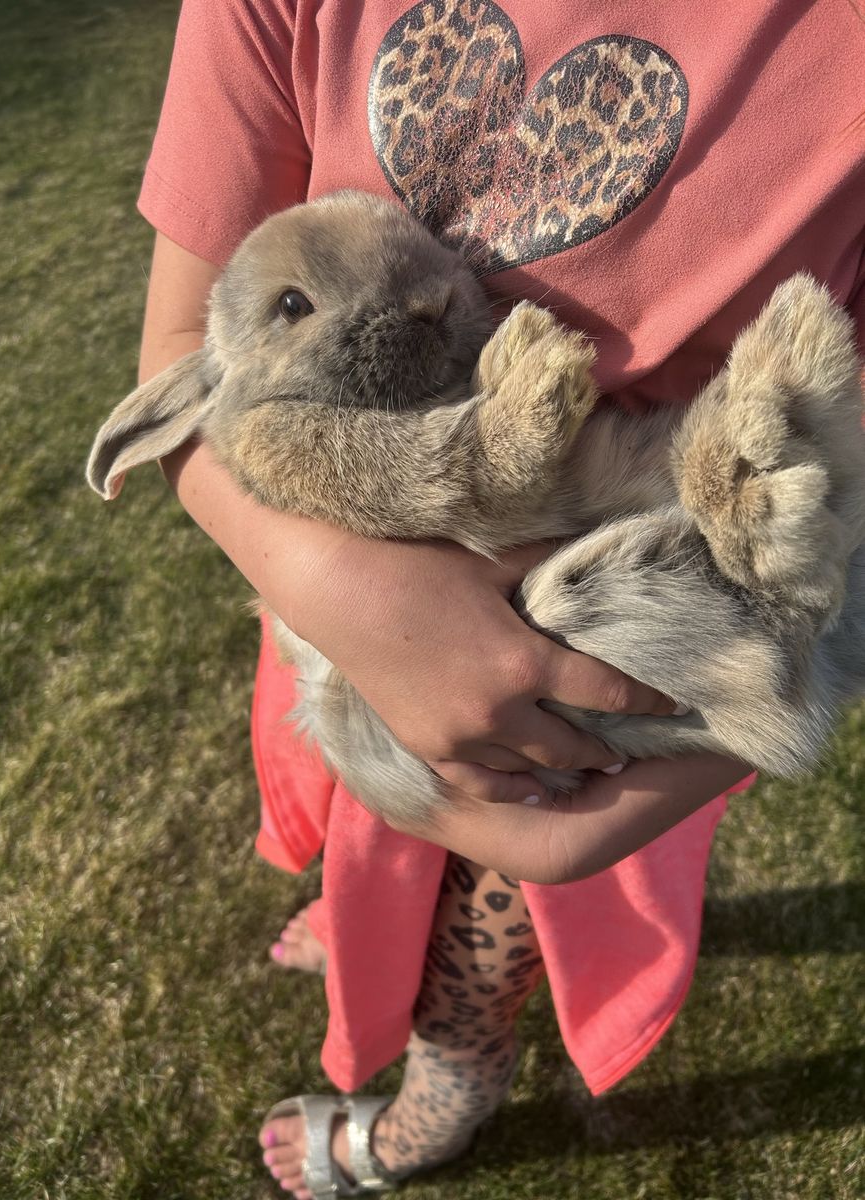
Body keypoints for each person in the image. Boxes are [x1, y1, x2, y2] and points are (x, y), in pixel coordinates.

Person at [132, 2, 864, 1195]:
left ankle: (450, 1081)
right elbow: (183, 340)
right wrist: (331, 583)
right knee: (371, 838)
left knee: (494, 920)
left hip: (615, 681)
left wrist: (600, 814)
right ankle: (366, 932)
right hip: (339, 623)